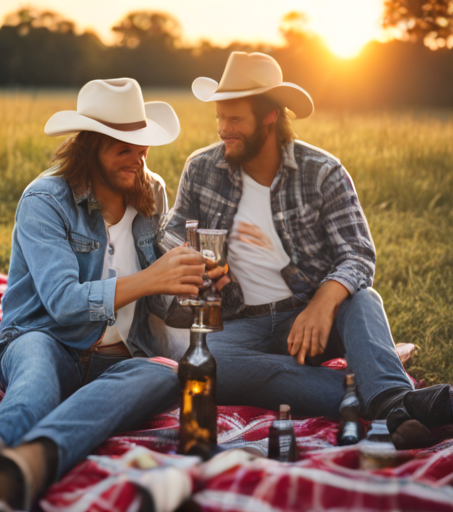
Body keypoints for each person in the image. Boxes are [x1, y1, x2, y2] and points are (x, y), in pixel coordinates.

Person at [161, 52, 453, 450]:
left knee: (363, 300)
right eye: (219, 117)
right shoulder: (201, 168)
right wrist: (192, 258)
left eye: (234, 119)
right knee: (203, 366)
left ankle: (377, 385)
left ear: (270, 116)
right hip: (239, 322)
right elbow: (172, 231)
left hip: (313, 319)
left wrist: (322, 301)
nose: (222, 130)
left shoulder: (323, 172)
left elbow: (358, 254)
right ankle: (390, 399)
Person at [0, 78, 205, 510]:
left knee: (164, 373)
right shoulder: (45, 199)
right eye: (124, 149)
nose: (137, 161)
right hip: (42, 338)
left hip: (120, 357)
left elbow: (160, 299)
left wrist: (192, 280)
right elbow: (63, 303)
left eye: (142, 148)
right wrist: (154, 278)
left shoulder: (150, 190)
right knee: (35, 391)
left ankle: (27, 463)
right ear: (91, 147)